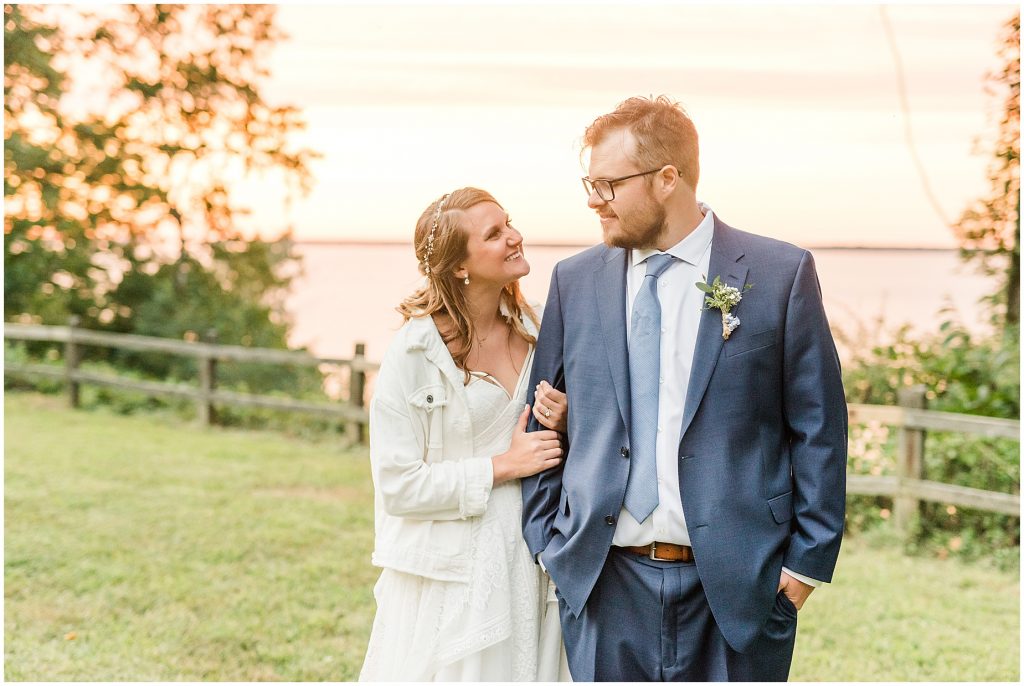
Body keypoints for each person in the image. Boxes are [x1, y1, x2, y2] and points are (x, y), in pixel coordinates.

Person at [522, 96, 848, 681]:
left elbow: (818, 425)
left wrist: (804, 567)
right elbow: (541, 416)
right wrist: (550, 542)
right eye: (589, 183)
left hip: (739, 586)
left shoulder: (778, 273)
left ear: (667, 178)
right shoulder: (574, 281)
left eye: (608, 184)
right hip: (603, 582)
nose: (593, 200)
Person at [359, 187, 571, 681]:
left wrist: (563, 417)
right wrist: (503, 465)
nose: (515, 237)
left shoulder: (541, 324)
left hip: (535, 552)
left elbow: (569, 433)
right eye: (494, 234)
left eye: (509, 223)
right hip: (456, 572)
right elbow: (398, 486)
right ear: (460, 266)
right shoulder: (414, 352)